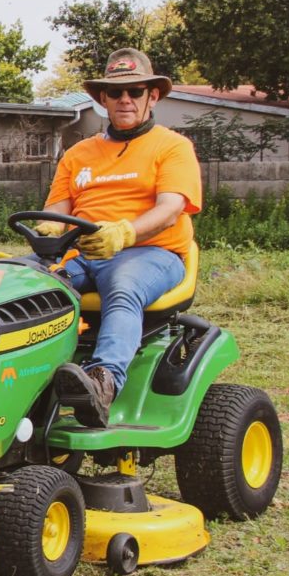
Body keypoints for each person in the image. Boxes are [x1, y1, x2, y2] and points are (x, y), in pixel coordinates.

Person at [37, 48, 202, 427]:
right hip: (86, 254)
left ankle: (103, 381)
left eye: (136, 91)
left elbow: (170, 209)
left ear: (152, 96)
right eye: (115, 93)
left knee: (123, 284)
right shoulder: (79, 154)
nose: (125, 99)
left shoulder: (172, 147)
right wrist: (50, 230)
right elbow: (57, 211)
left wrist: (126, 232)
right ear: (103, 99)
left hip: (153, 255)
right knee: (22, 284)